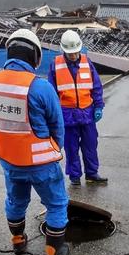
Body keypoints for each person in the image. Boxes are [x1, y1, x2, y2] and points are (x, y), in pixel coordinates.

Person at [0, 29, 69, 255]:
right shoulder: (40, 87)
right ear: (36, 57)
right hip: (41, 163)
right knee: (57, 204)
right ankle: (53, 251)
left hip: (9, 160)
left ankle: (18, 241)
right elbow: (57, 127)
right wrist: (52, 150)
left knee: (16, 201)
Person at [48, 29, 108, 186]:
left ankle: (92, 173)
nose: (73, 55)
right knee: (71, 147)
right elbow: (52, 93)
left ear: (80, 48)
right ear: (63, 50)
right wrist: (54, 115)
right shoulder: (55, 65)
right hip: (67, 115)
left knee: (90, 145)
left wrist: (98, 106)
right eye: (70, 53)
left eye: (75, 52)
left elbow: (96, 87)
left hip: (87, 112)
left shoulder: (87, 63)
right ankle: (75, 176)